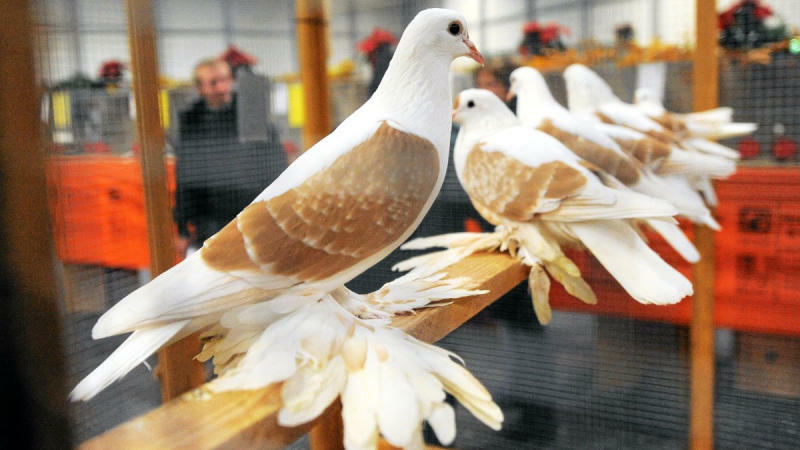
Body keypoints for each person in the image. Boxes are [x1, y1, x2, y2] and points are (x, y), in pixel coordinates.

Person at [173, 58, 286, 255]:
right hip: (211, 217)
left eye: (225, 80)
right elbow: (185, 176)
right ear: (200, 88)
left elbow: (275, 163)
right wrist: (182, 228)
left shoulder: (250, 116)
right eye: (214, 82)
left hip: (252, 212)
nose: (222, 87)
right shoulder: (192, 123)